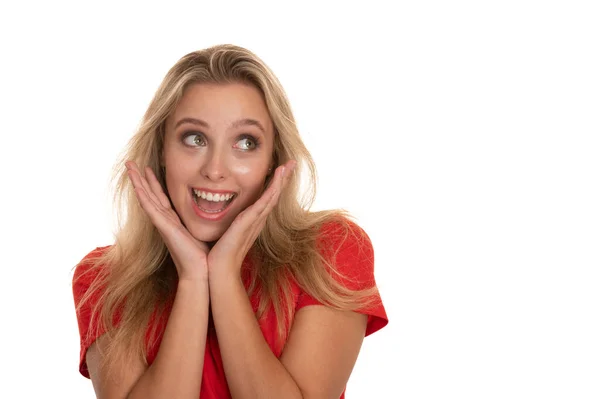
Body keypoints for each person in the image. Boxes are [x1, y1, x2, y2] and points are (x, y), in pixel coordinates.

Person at [72, 44, 388, 399]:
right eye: (194, 138)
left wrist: (223, 275)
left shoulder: (332, 249)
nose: (215, 170)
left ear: (274, 159)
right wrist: (193, 278)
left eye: (245, 142)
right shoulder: (105, 278)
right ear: (162, 149)